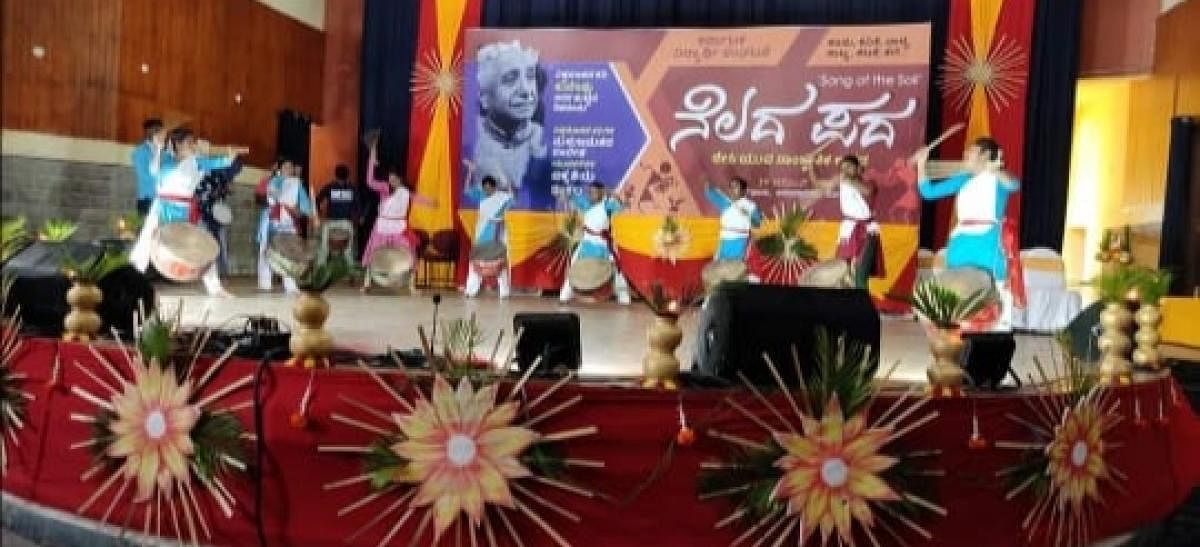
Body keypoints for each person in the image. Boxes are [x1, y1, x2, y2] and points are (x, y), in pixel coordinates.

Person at [914, 136, 1024, 330]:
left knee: (991, 287)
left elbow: (1013, 184)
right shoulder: (963, 179)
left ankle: (999, 328)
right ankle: (954, 334)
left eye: (971, 151)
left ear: (985, 155)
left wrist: (995, 169)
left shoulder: (997, 179)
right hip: (961, 240)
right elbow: (928, 192)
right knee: (956, 289)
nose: (965, 154)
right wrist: (922, 164)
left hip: (986, 239)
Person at [129, 127, 245, 297]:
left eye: (193, 142)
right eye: (189, 142)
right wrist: (160, 147)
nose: (193, 145)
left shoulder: (197, 161)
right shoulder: (165, 158)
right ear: (177, 144)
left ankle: (216, 288)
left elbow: (224, 162)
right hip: (162, 206)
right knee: (145, 243)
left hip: (185, 209)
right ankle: (131, 281)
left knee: (203, 244)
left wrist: (231, 152)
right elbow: (153, 170)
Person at [470, 40, 549, 207]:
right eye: (510, 79)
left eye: (529, 76)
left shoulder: (542, 139)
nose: (526, 90)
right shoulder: (473, 141)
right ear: (485, 98)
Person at [361, 140, 436, 292]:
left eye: (394, 178)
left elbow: (418, 198)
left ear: (400, 178)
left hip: (399, 227)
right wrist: (371, 159)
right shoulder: (384, 189)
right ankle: (367, 283)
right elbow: (369, 181)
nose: (391, 180)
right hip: (382, 226)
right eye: (390, 177)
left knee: (409, 252)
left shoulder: (405, 192)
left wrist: (430, 203)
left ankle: (411, 286)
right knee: (374, 252)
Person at [559, 181, 631, 305]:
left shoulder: (607, 205)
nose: (592, 194)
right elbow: (568, 197)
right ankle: (565, 295)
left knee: (616, 269)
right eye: (591, 192)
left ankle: (623, 296)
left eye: (596, 192)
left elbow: (624, 206)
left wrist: (615, 196)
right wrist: (565, 193)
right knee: (575, 265)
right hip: (587, 242)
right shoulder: (585, 203)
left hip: (603, 243)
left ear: (602, 193)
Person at [255, 158, 312, 293]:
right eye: (285, 166)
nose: (288, 169)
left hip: (289, 221)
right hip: (271, 220)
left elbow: (304, 204)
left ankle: (291, 284)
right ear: (279, 169)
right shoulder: (271, 181)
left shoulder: (297, 184)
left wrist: (304, 212)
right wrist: (267, 180)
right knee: (266, 250)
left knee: (289, 251)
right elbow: (259, 196)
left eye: (291, 167)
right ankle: (265, 283)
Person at [830, 155, 884, 289]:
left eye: (849, 167)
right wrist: (811, 165)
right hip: (848, 230)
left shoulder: (869, 183)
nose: (845, 171)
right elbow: (819, 184)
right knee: (843, 271)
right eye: (842, 169)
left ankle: (861, 305)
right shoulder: (844, 183)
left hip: (867, 231)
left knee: (861, 272)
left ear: (859, 168)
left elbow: (867, 191)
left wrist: (846, 179)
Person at [464, 169, 514, 298]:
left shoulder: (501, 197)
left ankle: (504, 292)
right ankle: (471, 290)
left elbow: (512, 196)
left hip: (497, 233)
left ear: (494, 187)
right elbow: (466, 190)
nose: (487, 190)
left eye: (489, 188)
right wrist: (470, 172)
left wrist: (508, 182)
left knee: (499, 263)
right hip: (481, 234)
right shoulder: (480, 195)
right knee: (476, 261)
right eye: (484, 188)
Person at [705, 176, 763, 264]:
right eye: (730, 187)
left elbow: (757, 225)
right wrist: (708, 184)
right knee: (719, 270)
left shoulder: (751, 206)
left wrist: (748, 215)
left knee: (736, 270)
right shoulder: (725, 202)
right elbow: (710, 192)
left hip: (740, 242)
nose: (731, 190)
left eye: (735, 187)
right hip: (724, 241)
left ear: (744, 190)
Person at [315, 164, 360, 267]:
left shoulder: (330, 186)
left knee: (325, 244)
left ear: (335, 175)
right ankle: (349, 265)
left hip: (338, 221)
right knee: (347, 247)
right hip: (339, 221)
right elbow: (358, 206)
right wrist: (357, 218)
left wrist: (319, 212)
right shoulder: (351, 188)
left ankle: (321, 264)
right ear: (348, 175)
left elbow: (317, 200)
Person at [130, 118, 166, 215]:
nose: (165, 135)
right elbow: (145, 176)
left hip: (162, 198)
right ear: (154, 133)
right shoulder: (140, 151)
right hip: (147, 198)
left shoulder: (164, 152)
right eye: (163, 132)